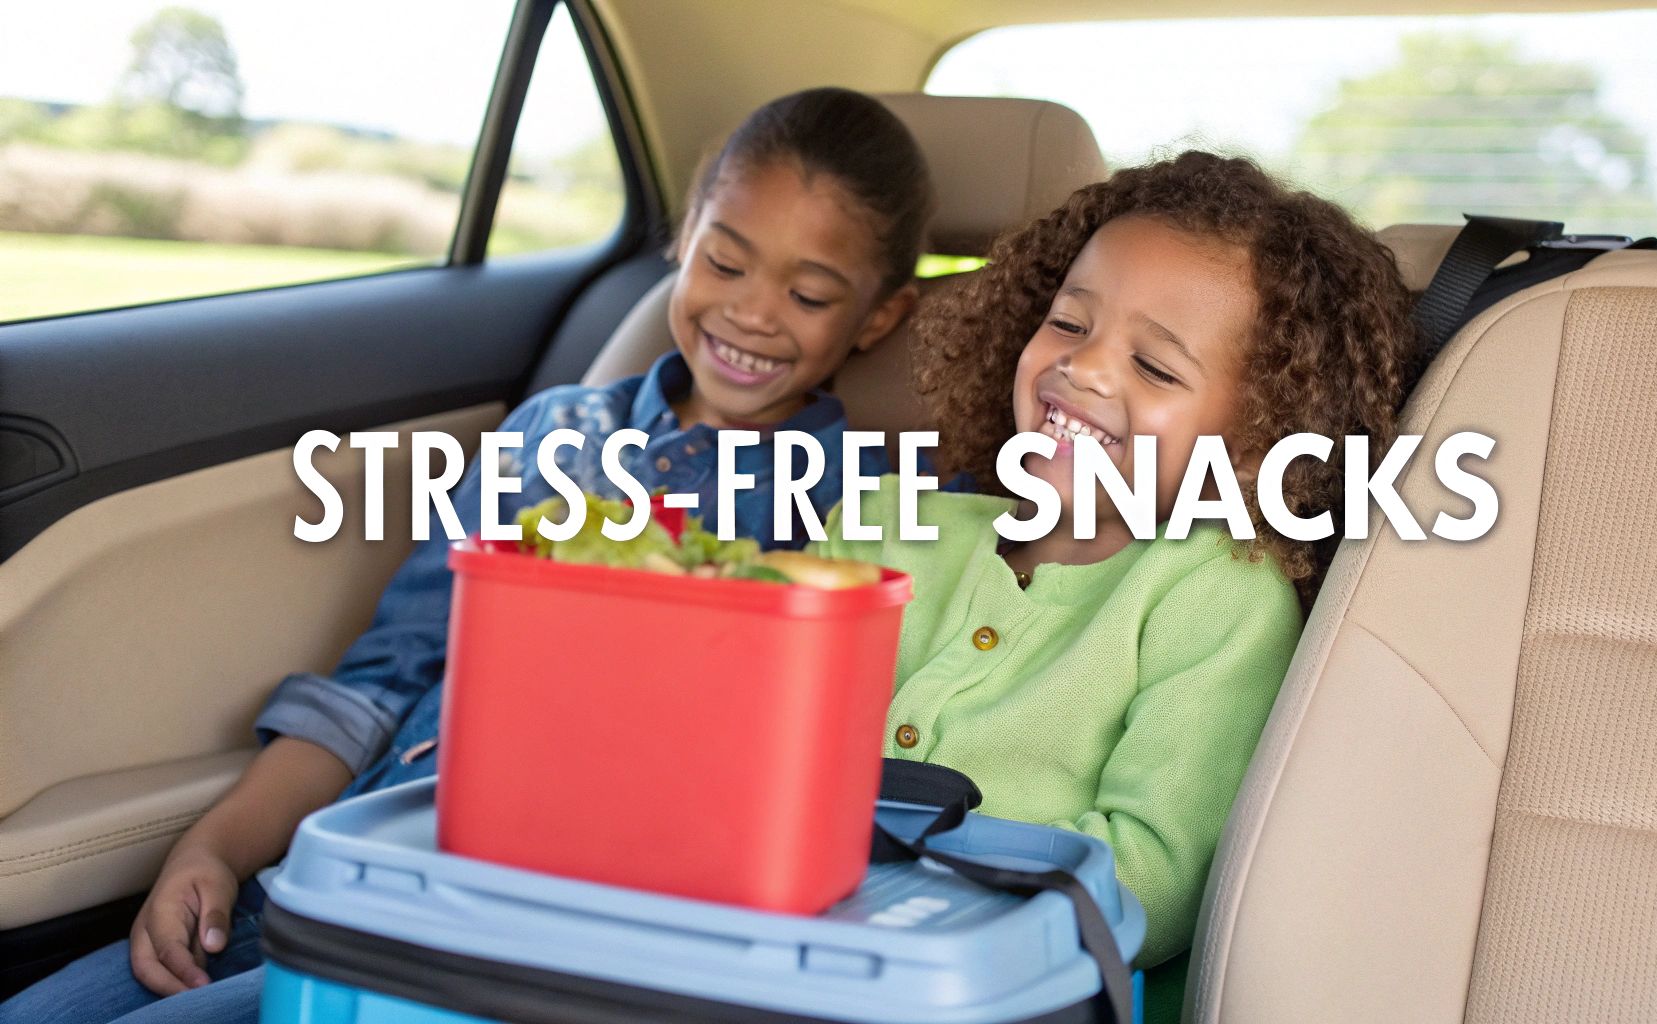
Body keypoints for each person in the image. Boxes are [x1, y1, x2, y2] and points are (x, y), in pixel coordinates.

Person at [0, 86, 934, 1024]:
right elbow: (382, 680)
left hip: (506, 934)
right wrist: (218, 847)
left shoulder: (855, 514)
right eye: (726, 262)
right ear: (687, 236)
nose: (754, 314)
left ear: (879, 317)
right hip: (331, 870)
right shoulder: (552, 433)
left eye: (809, 295)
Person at [815, 151, 1416, 1022]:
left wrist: (893, 871)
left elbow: (1151, 883)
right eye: (1068, 323)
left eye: (1158, 368)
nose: (1086, 370)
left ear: (1257, 441)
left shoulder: (1213, 597)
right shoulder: (884, 523)